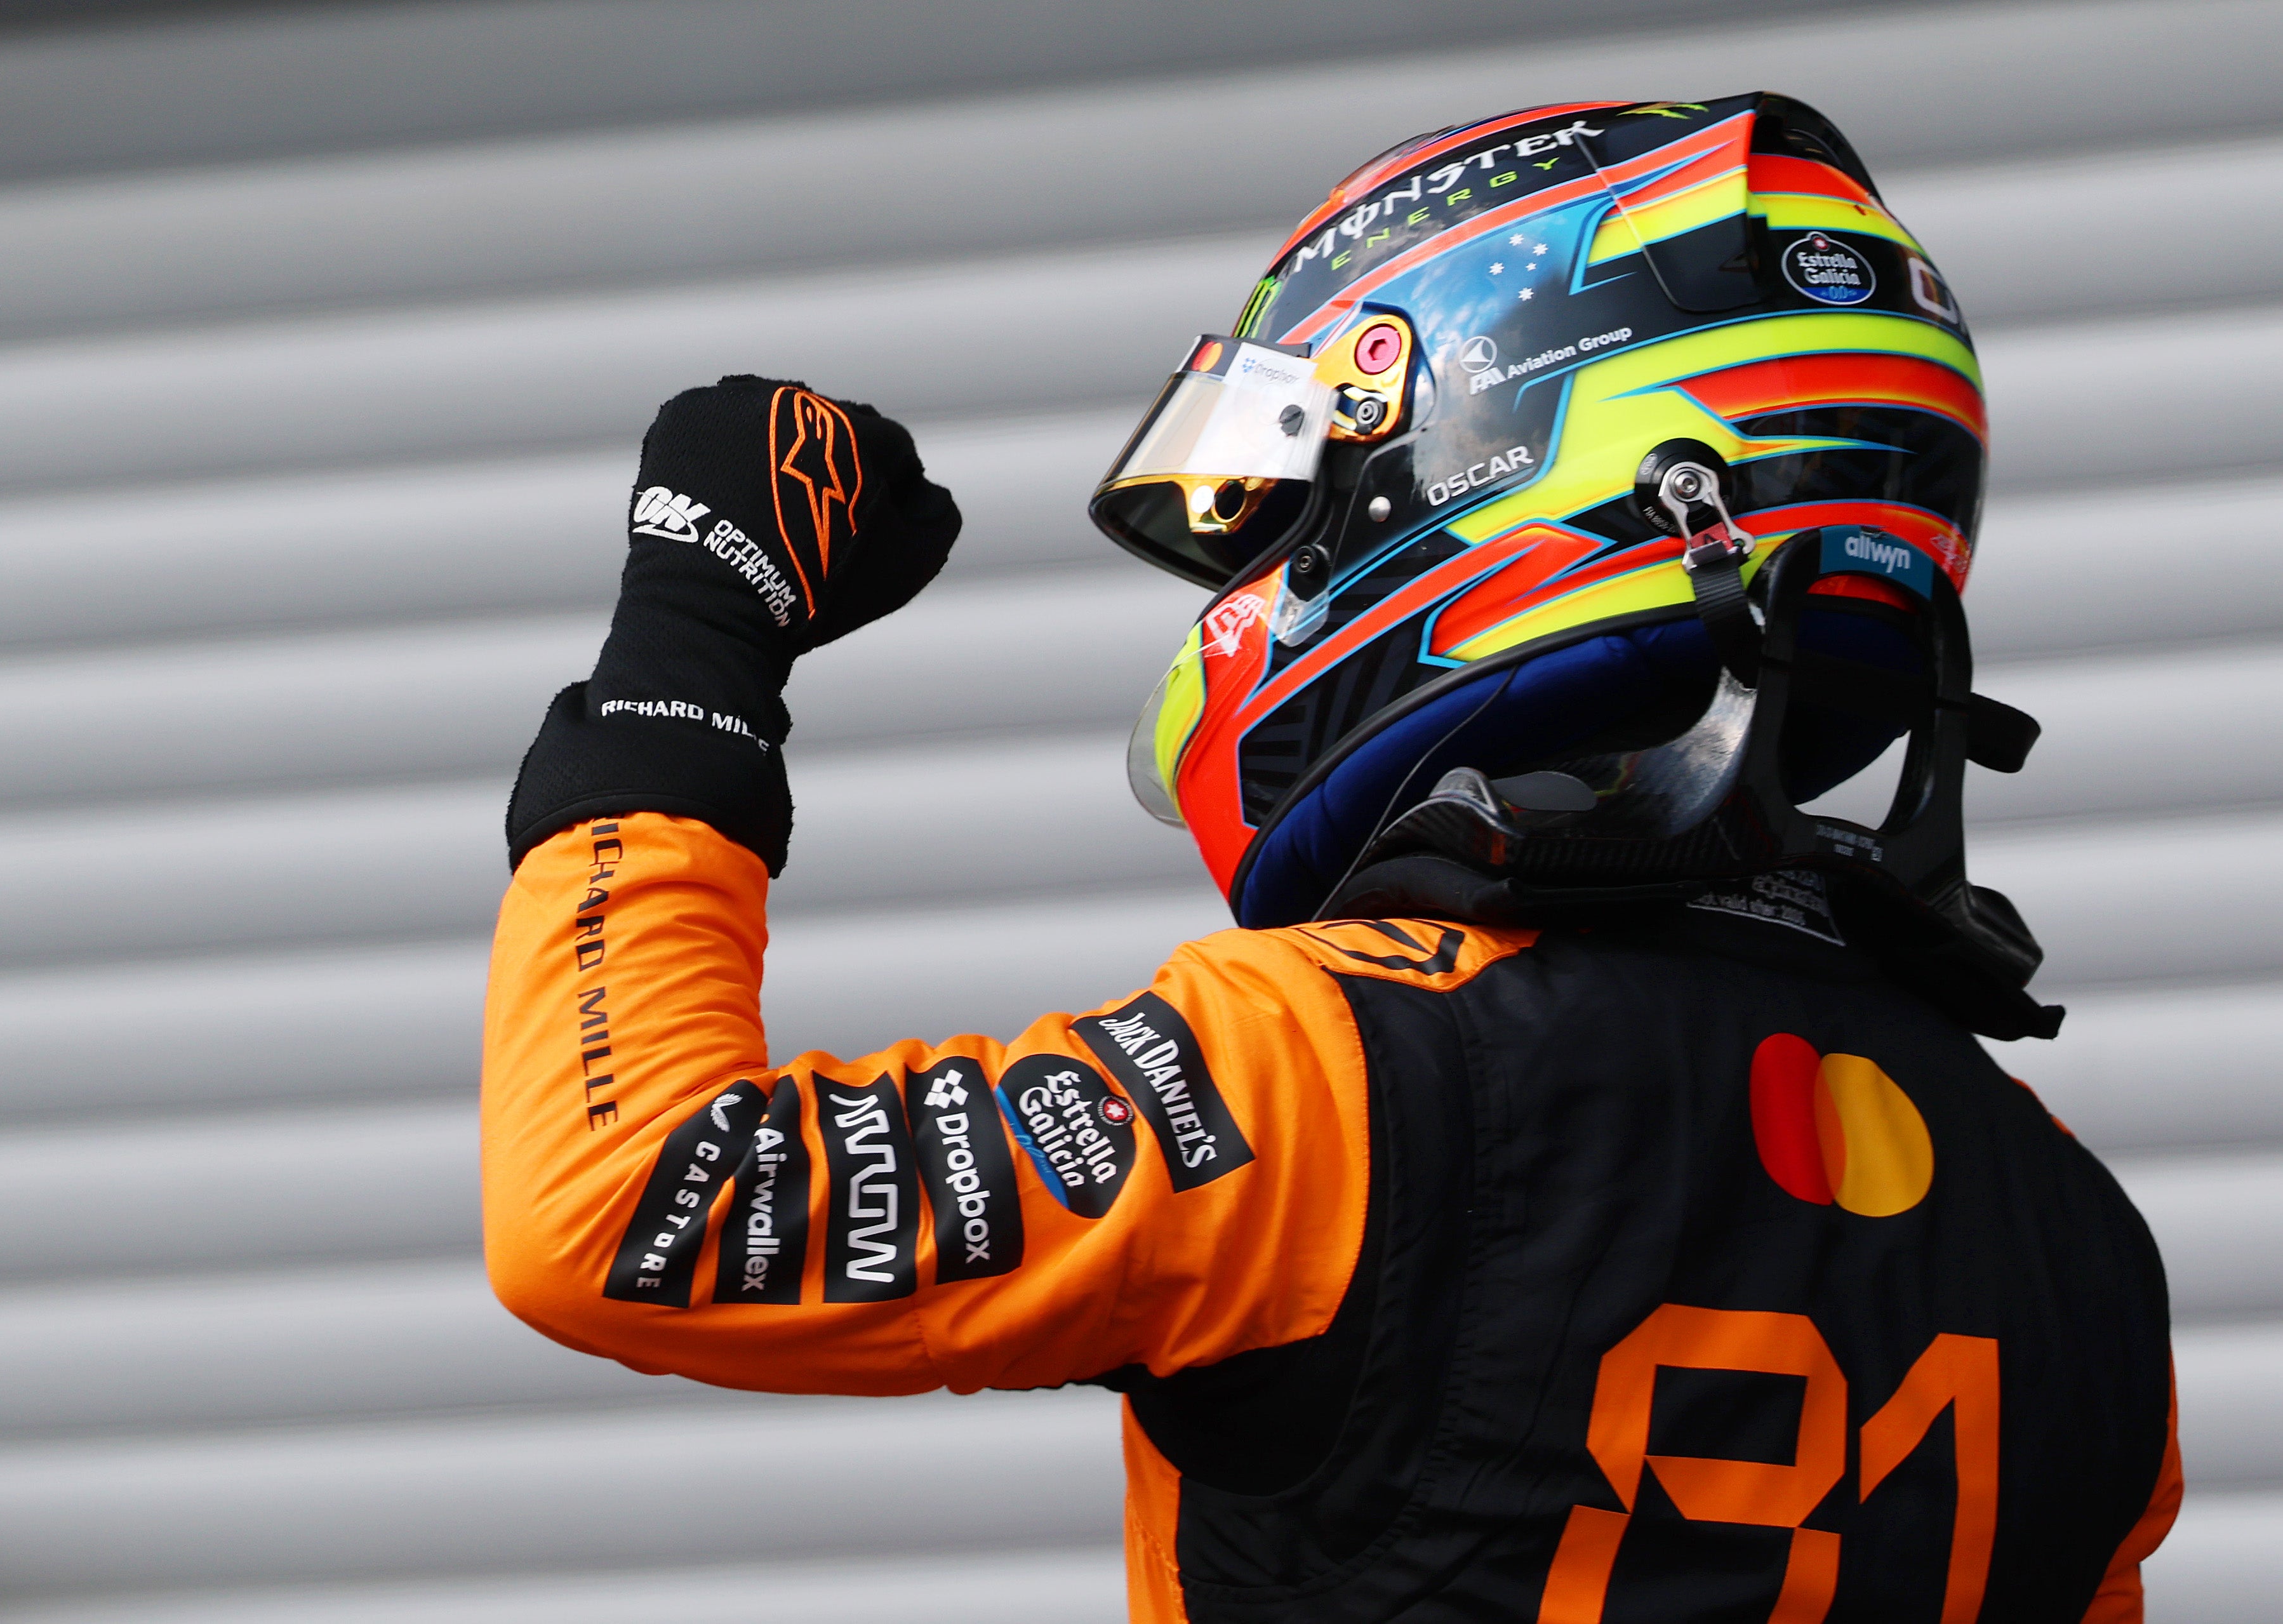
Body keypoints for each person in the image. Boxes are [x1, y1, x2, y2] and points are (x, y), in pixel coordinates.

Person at [482, 95, 2180, 1622]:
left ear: (1480, 451)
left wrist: (695, 633)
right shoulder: (2070, 1221)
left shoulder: (1322, 1073)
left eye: (1293, 498)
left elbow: (626, 1205)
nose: (1252, 580)